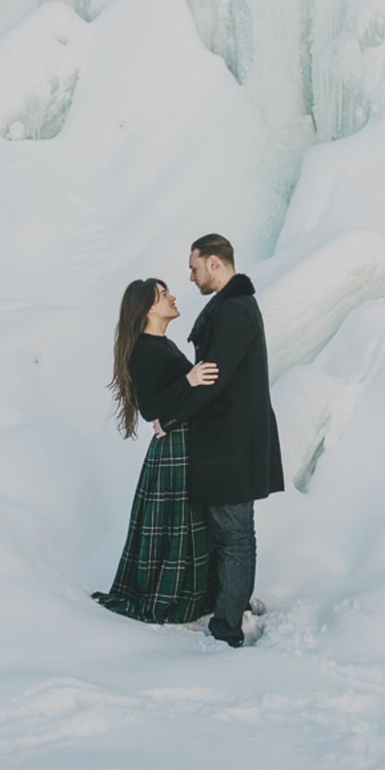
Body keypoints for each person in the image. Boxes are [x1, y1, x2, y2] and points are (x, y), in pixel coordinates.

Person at [152, 234, 284, 648]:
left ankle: (227, 626)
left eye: (193, 268)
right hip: (229, 438)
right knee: (230, 532)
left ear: (214, 263)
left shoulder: (235, 311)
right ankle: (229, 607)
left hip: (234, 441)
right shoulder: (231, 307)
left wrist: (171, 417)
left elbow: (212, 378)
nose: (190, 278)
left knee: (235, 534)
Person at [92, 278, 219, 624]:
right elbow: (151, 408)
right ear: (148, 308)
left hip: (180, 441)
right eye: (164, 295)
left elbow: (168, 404)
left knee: (182, 523)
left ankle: (189, 594)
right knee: (177, 524)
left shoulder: (160, 344)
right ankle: (172, 597)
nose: (173, 297)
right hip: (174, 447)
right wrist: (189, 381)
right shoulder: (147, 350)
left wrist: (178, 406)